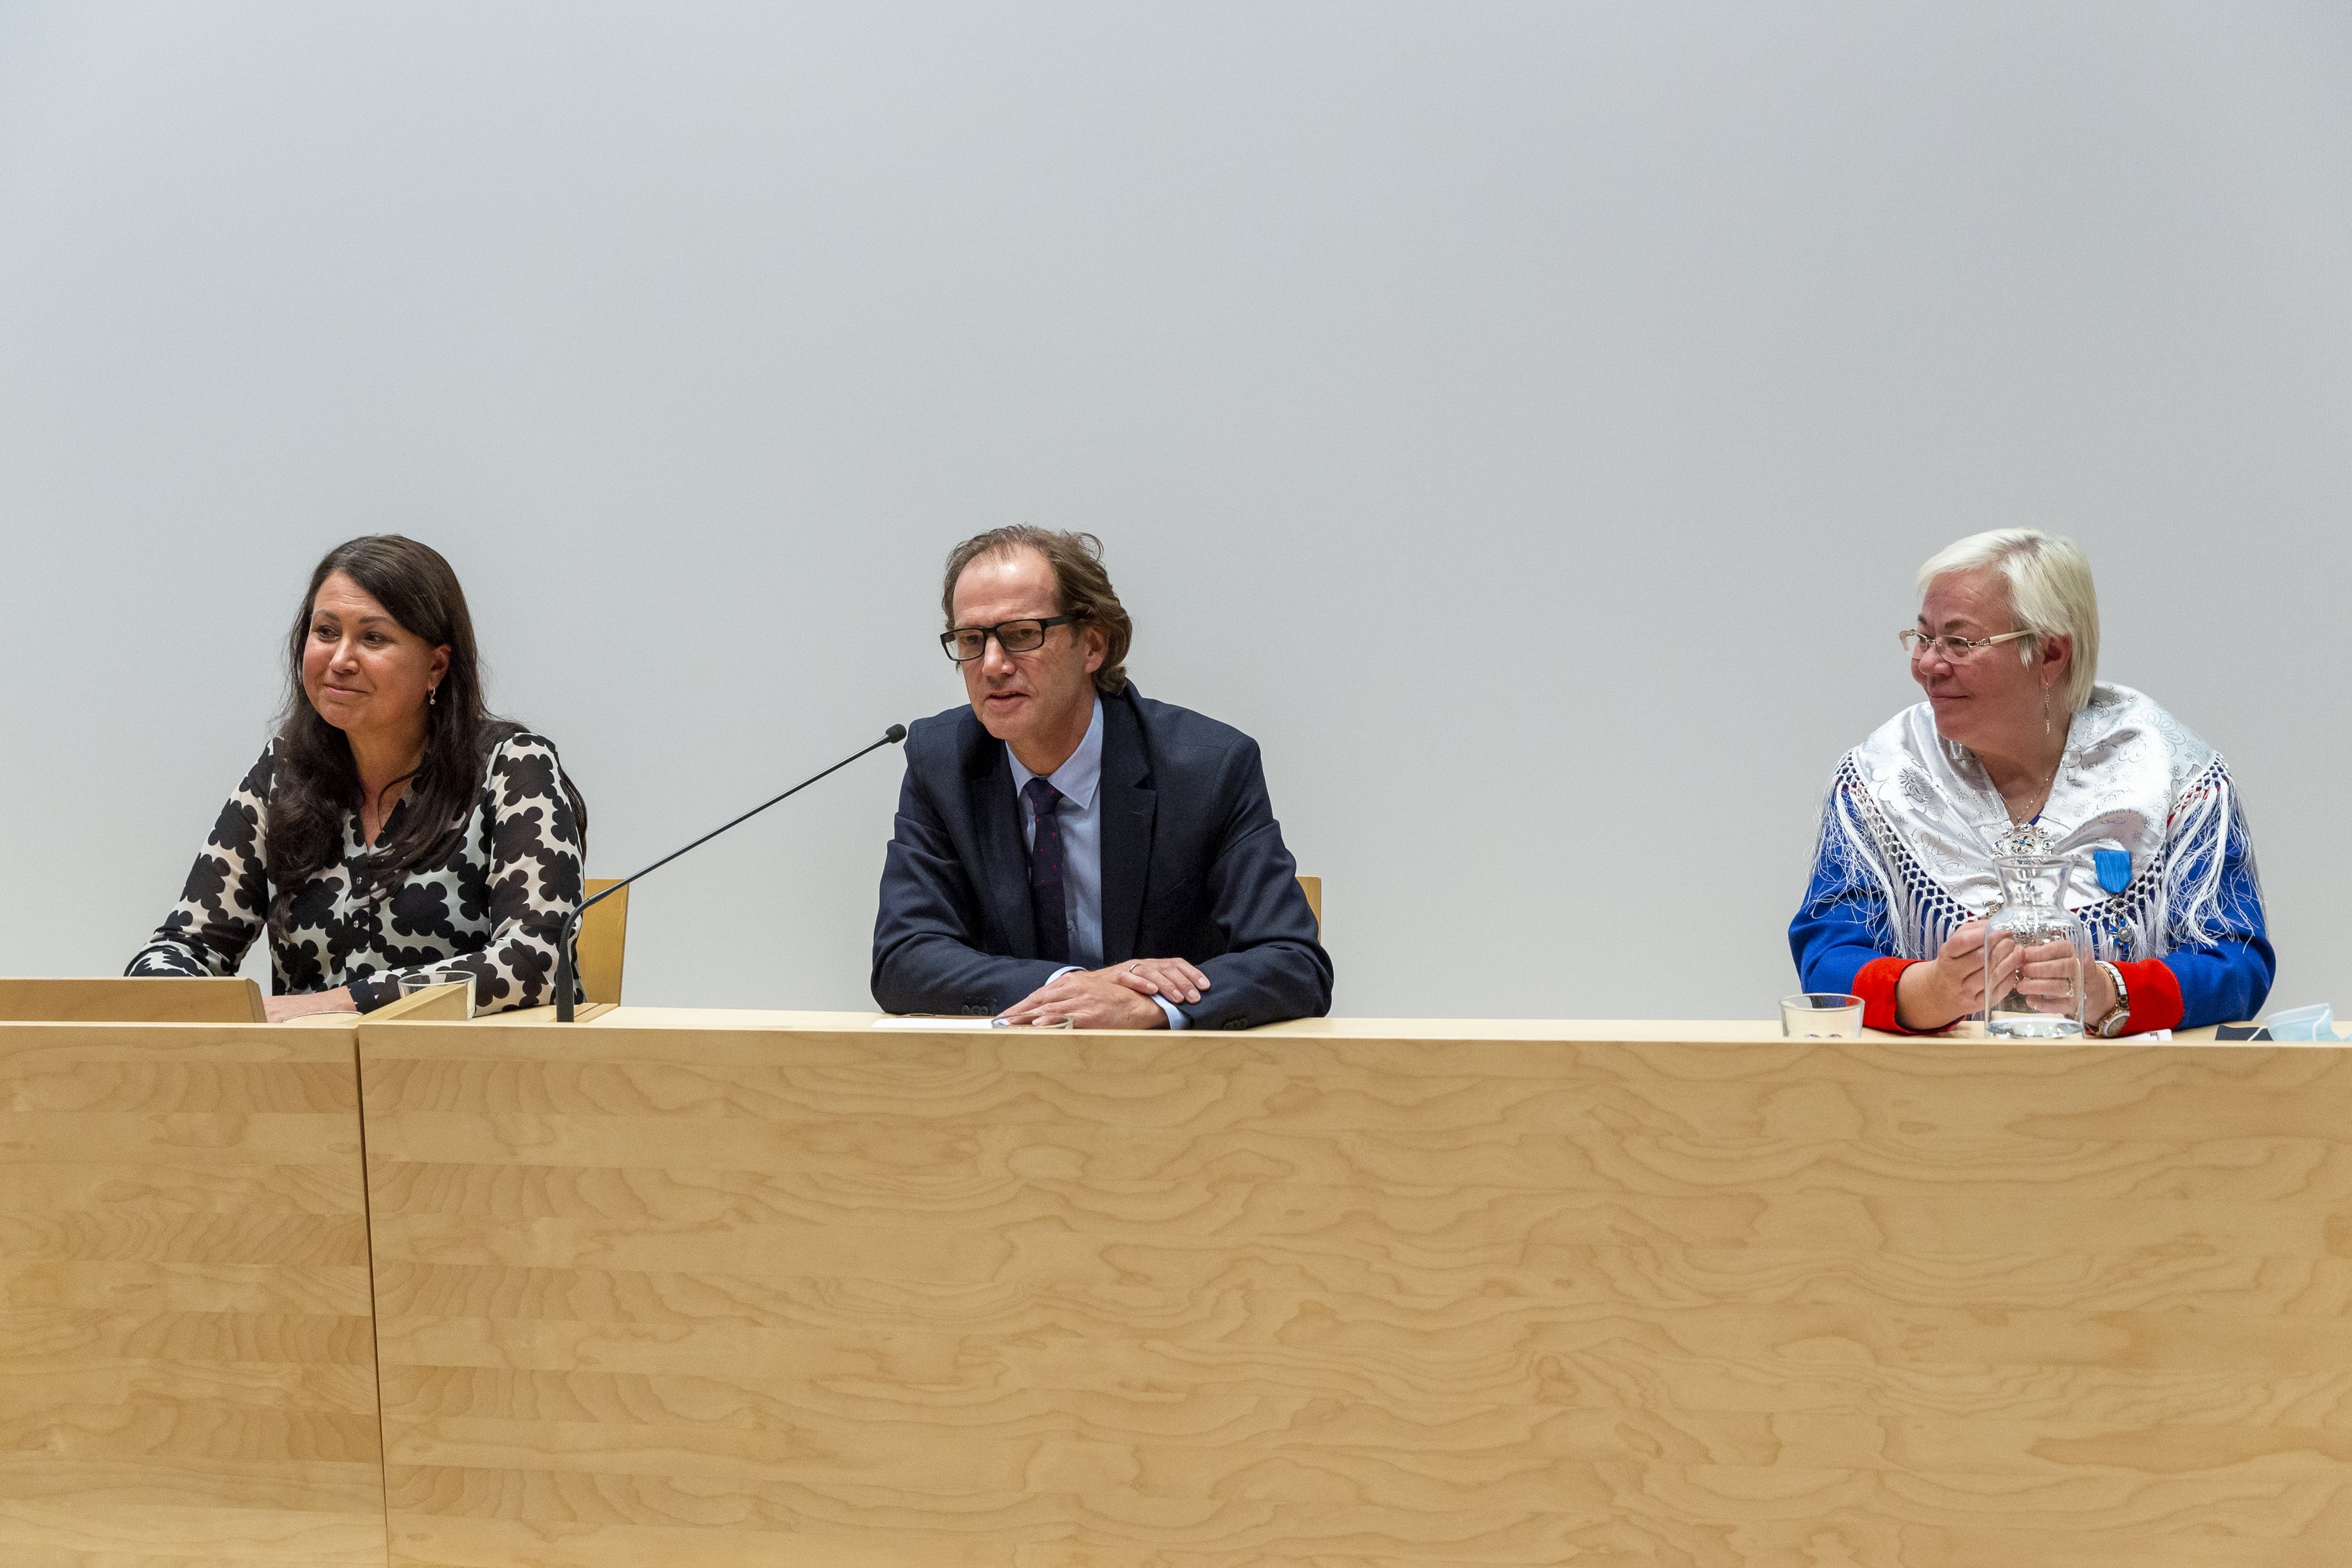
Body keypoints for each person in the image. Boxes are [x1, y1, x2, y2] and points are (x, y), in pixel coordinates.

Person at [1791, 529, 2271, 1036]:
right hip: (1927, 1103)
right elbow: (1827, 959)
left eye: (1959, 642)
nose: (1927, 665)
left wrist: (2108, 991)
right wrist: (1932, 990)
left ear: (2050, 656)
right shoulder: (1881, 776)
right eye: (1923, 638)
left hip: (2128, 1101)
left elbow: (2237, 963)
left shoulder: (2172, 775)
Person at [873, 527, 1332, 1029]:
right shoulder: (942, 764)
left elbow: (1293, 961)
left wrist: (1153, 1005)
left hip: (1177, 1087)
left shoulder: (1207, 768)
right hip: (1005, 1087)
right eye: (970, 640)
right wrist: (1070, 987)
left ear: (1092, 645)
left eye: (1023, 634)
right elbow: (904, 957)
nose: (992, 665)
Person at [128, 535, 588, 1021]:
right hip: (314, 1086)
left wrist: (337, 1005)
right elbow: (188, 942)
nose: (341, 659)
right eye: (326, 632)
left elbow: (536, 960)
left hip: (474, 1083)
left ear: (437, 665)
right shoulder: (284, 773)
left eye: (373, 638)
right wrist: (162, 994)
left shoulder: (513, 766)